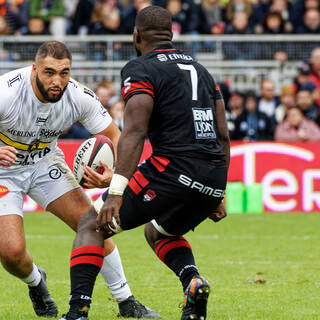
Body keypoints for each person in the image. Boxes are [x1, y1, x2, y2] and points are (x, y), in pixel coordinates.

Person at [59, 5, 230, 320]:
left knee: (91, 226)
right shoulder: (202, 70)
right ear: (172, 34)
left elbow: (134, 132)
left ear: (136, 35)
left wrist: (116, 193)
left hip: (173, 168)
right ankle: (192, 283)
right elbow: (222, 136)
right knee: (159, 232)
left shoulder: (140, 68)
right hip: (212, 174)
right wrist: (218, 191)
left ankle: (77, 312)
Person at [0, 41, 159, 319]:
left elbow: (117, 138)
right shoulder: (7, 92)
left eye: (64, 73)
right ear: (34, 69)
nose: (57, 81)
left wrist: (115, 174)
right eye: (49, 72)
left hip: (44, 163)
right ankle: (36, 281)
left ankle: (127, 302)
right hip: (4, 171)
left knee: (95, 224)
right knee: (11, 253)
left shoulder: (79, 96)